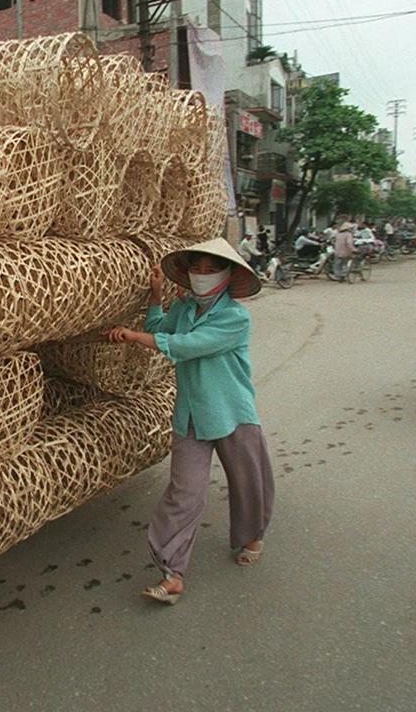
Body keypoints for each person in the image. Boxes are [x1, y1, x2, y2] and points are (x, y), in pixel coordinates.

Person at [104, 238, 274, 606]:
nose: (201, 275)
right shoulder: (183, 308)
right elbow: (161, 326)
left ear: (228, 277)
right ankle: (172, 572)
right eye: (196, 269)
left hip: (231, 412)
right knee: (184, 493)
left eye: (210, 270)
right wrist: (156, 295)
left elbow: (185, 346)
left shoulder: (234, 317)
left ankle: (251, 534)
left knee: (247, 481)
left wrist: (134, 337)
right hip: (191, 415)